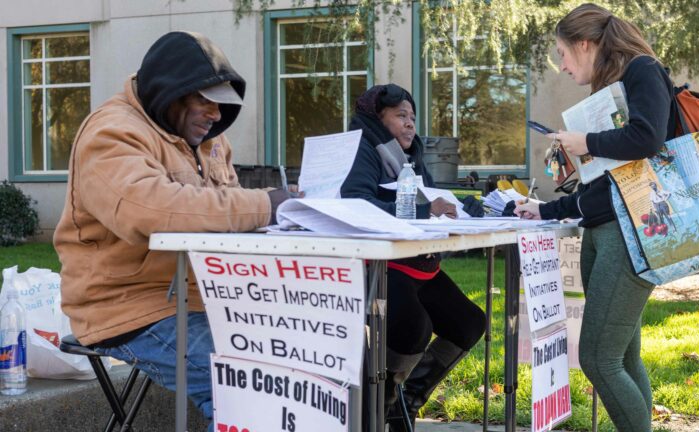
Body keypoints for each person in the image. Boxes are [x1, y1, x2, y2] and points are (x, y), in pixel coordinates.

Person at [53, 31, 291, 430]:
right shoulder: (111, 133)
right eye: (205, 100)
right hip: (128, 307)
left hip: (203, 297)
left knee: (307, 353)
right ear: (169, 91)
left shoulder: (208, 141)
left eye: (222, 104)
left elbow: (220, 209)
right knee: (246, 385)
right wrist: (265, 204)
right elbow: (151, 209)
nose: (216, 114)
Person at [512, 4, 677, 431]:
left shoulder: (642, 70)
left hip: (631, 235)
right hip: (605, 233)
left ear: (585, 45)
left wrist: (583, 139)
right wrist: (545, 208)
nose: (563, 67)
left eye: (563, 54)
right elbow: (601, 190)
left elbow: (647, 137)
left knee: (597, 359)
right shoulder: (612, 87)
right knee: (621, 356)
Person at [340, 84, 486, 431]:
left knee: (468, 323)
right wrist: (421, 211)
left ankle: (406, 400)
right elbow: (355, 202)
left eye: (413, 117)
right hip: (381, 265)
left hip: (420, 263)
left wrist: (466, 206)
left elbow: (432, 196)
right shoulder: (362, 149)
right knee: (412, 327)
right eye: (400, 116)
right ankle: (382, 404)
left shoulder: (411, 154)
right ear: (377, 119)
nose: (410, 125)